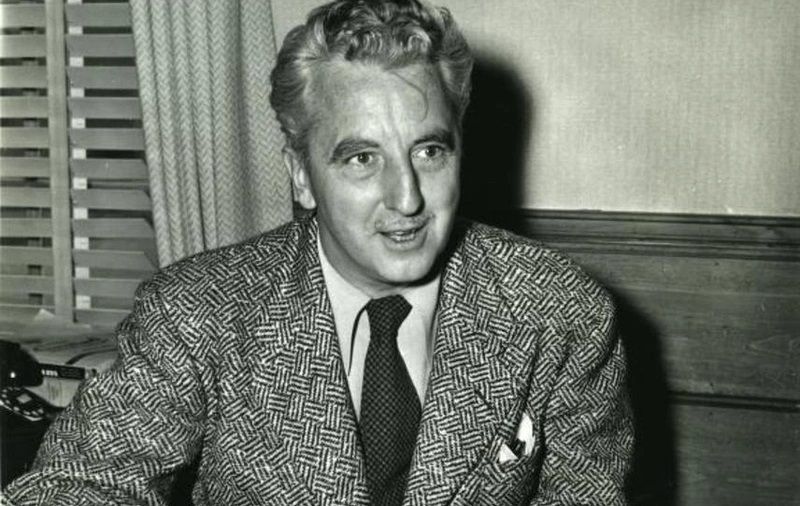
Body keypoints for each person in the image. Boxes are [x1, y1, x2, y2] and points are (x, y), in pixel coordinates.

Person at [3, 0, 632, 504]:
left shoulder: (560, 310)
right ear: (302, 176)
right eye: (362, 159)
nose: (407, 198)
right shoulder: (198, 311)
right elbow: (76, 483)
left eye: (428, 151)